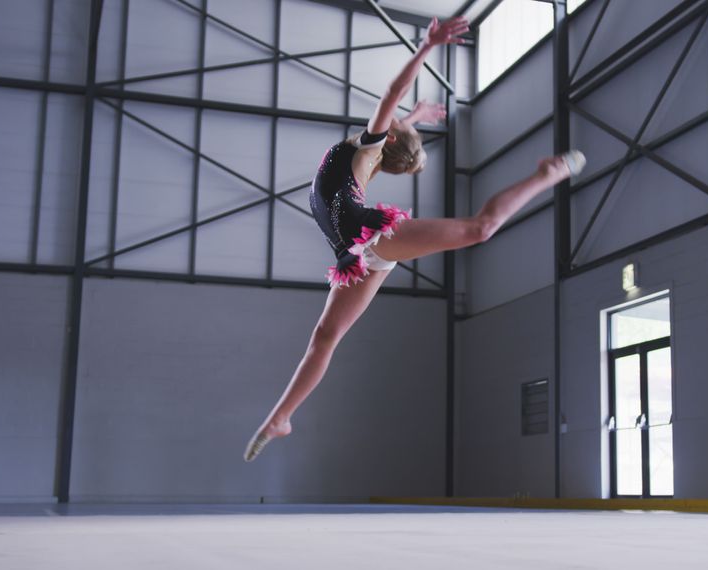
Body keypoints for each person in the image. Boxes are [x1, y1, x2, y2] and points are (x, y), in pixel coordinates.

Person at [244, 15, 584, 462]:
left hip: (369, 236)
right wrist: (416, 118)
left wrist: (427, 47)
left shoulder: (366, 148)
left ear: (388, 138)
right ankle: (280, 417)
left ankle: (546, 175)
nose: (400, 123)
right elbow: (396, 122)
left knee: (480, 228)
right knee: (324, 336)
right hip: (356, 253)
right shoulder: (367, 158)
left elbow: (390, 95)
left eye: (402, 126)